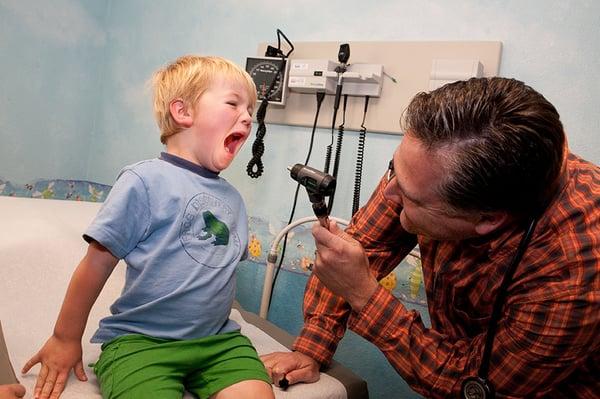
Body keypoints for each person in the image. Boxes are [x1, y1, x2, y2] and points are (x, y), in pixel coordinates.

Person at [262, 77, 600, 397]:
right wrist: (312, 347)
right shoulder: (431, 166)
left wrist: (362, 293)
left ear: (488, 219)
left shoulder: (573, 271)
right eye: (395, 169)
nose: (388, 193)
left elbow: (472, 385)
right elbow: (363, 246)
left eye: (409, 195)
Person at [22, 55, 274, 399]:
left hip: (219, 343)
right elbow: (96, 264)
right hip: (141, 344)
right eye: (233, 103)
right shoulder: (144, 181)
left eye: (250, 110)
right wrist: (65, 338)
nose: (247, 116)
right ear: (183, 112)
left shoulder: (233, 199)